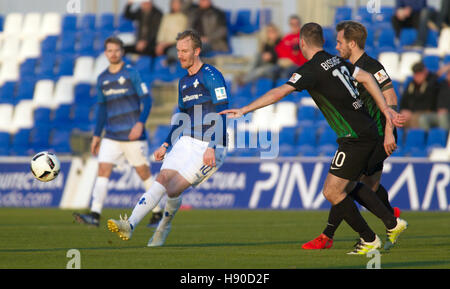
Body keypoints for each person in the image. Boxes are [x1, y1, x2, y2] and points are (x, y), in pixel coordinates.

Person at [220, 23, 408, 255]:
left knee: (332, 192)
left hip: (355, 137)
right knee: (349, 186)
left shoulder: (311, 69)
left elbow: (280, 91)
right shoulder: (338, 60)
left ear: (302, 44)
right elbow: (368, 78)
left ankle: (369, 238)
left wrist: (245, 109)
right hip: (367, 132)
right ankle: (390, 223)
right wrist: (386, 110)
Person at [107, 29, 229, 247]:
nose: (180, 55)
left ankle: (163, 227)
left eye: (185, 51)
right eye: (178, 50)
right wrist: (166, 143)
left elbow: (223, 111)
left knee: (173, 190)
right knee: (162, 180)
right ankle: (130, 225)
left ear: (197, 51)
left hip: (211, 146)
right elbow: (182, 117)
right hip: (187, 140)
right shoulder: (183, 82)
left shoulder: (212, 75)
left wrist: (212, 146)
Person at [302, 21, 402, 250]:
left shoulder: (371, 66)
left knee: (344, 185)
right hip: (367, 133)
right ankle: (390, 218)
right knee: (366, 186)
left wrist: (388, 132)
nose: (336, 47)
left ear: (352, 43)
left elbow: (391, 96)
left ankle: (334, 234)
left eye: (339, 42)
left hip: (378, 134)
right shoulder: (345, 68)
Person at [73, 36, 162, 226]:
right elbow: (102, 108)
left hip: (132, 135)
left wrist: (140, 123)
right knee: (103, 169)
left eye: (116, 50)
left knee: (143, 173)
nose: (113, 54)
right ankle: (95, 214)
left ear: (122, 51)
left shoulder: (132, 74)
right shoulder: (102, 78)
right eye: (109, 51)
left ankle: (158, 212)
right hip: (111, 135)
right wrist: (97, 135)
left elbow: (146, 100)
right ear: (105, 53)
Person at [400, 61, 440, 128]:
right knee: (399, 119)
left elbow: (428, 104)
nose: (417, 76)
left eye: (420, 73)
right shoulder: (411, 85)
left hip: (427, 112)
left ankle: (416, 137)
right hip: (411, 112)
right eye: (416, 74)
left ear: (424, 73)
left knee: (415, 118)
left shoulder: (432, 84)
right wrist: (404, 110)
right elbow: (404, 99)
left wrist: (411, 112)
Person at [155, 0, 188, 65]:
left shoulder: (183, 17)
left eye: (177, 3)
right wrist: (160, 43)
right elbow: (162, 31)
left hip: (175, 44)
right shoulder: (167, 16)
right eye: (173, 3)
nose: (174, 5)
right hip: (163, 44)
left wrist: (166, 44)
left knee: (172, 52)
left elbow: (180, 35)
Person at [419, 65, 450, 130]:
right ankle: (428, 138)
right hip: (438, 114)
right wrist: (440, 72)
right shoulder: (442, 85)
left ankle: (444, 138)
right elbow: (429, 85)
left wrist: (446, 110)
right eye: (448, 73)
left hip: (446, 115)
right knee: (423, 118)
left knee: (442, 116)